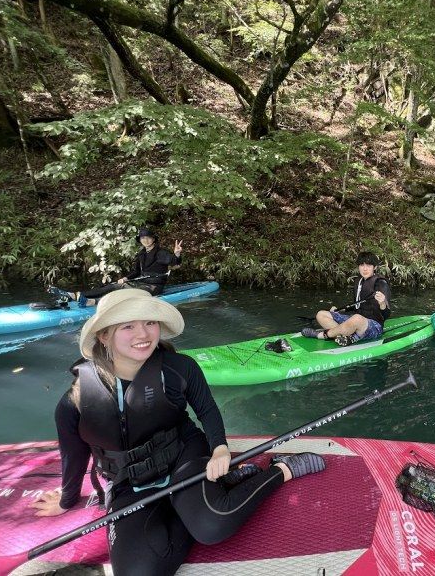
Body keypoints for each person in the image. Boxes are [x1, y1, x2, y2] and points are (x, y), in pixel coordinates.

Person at [30, 289, 326, 576]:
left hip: (183, 457)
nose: (143, 334)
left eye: (149, 323)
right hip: (127, 482)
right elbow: (75, 455)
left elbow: (207, 411)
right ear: (104, 335)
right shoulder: (75, 401)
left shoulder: (179, 368)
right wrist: (67, 499)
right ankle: (212, 491)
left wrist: (220, 448)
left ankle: (280, 470)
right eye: (128, 326)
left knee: (213, 527)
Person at [48, 227, 183, 307]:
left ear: (153, 239)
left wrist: (176, 254)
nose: (145, 240)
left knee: (127, 293)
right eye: (142, 238)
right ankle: (75, 295)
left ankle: (93, 302)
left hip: (154, 287)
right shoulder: (141, 254)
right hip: (140, 282)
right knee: (113, 286)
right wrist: (125, 278)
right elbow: (136, 272)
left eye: (148, 237)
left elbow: (175, 262)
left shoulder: (161, 253)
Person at [301, 251, 391, 346]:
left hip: (373, 326)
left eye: (368, 265)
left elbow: (386, 315)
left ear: (375, 267)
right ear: (358, 267)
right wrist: (341, 310)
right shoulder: (358, 281)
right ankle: (345, 336)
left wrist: (382, 304)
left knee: (357, 319)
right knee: (321, 314)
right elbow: (358, 305)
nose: (365, 269)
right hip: (355, 320)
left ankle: (322, 335)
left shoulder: (381, 283)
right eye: (361, 265)